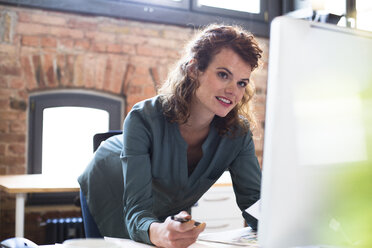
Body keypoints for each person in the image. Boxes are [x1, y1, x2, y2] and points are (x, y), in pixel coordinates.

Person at [78, 24, 262, 248]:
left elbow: (254, 204)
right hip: (110, 188)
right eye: (223, 75)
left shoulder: (238, 133)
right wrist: (160, 233)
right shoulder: (142, 118)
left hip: (166, 206)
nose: (234, 91)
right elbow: (137, 212)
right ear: (194, 70)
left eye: (242, 83)